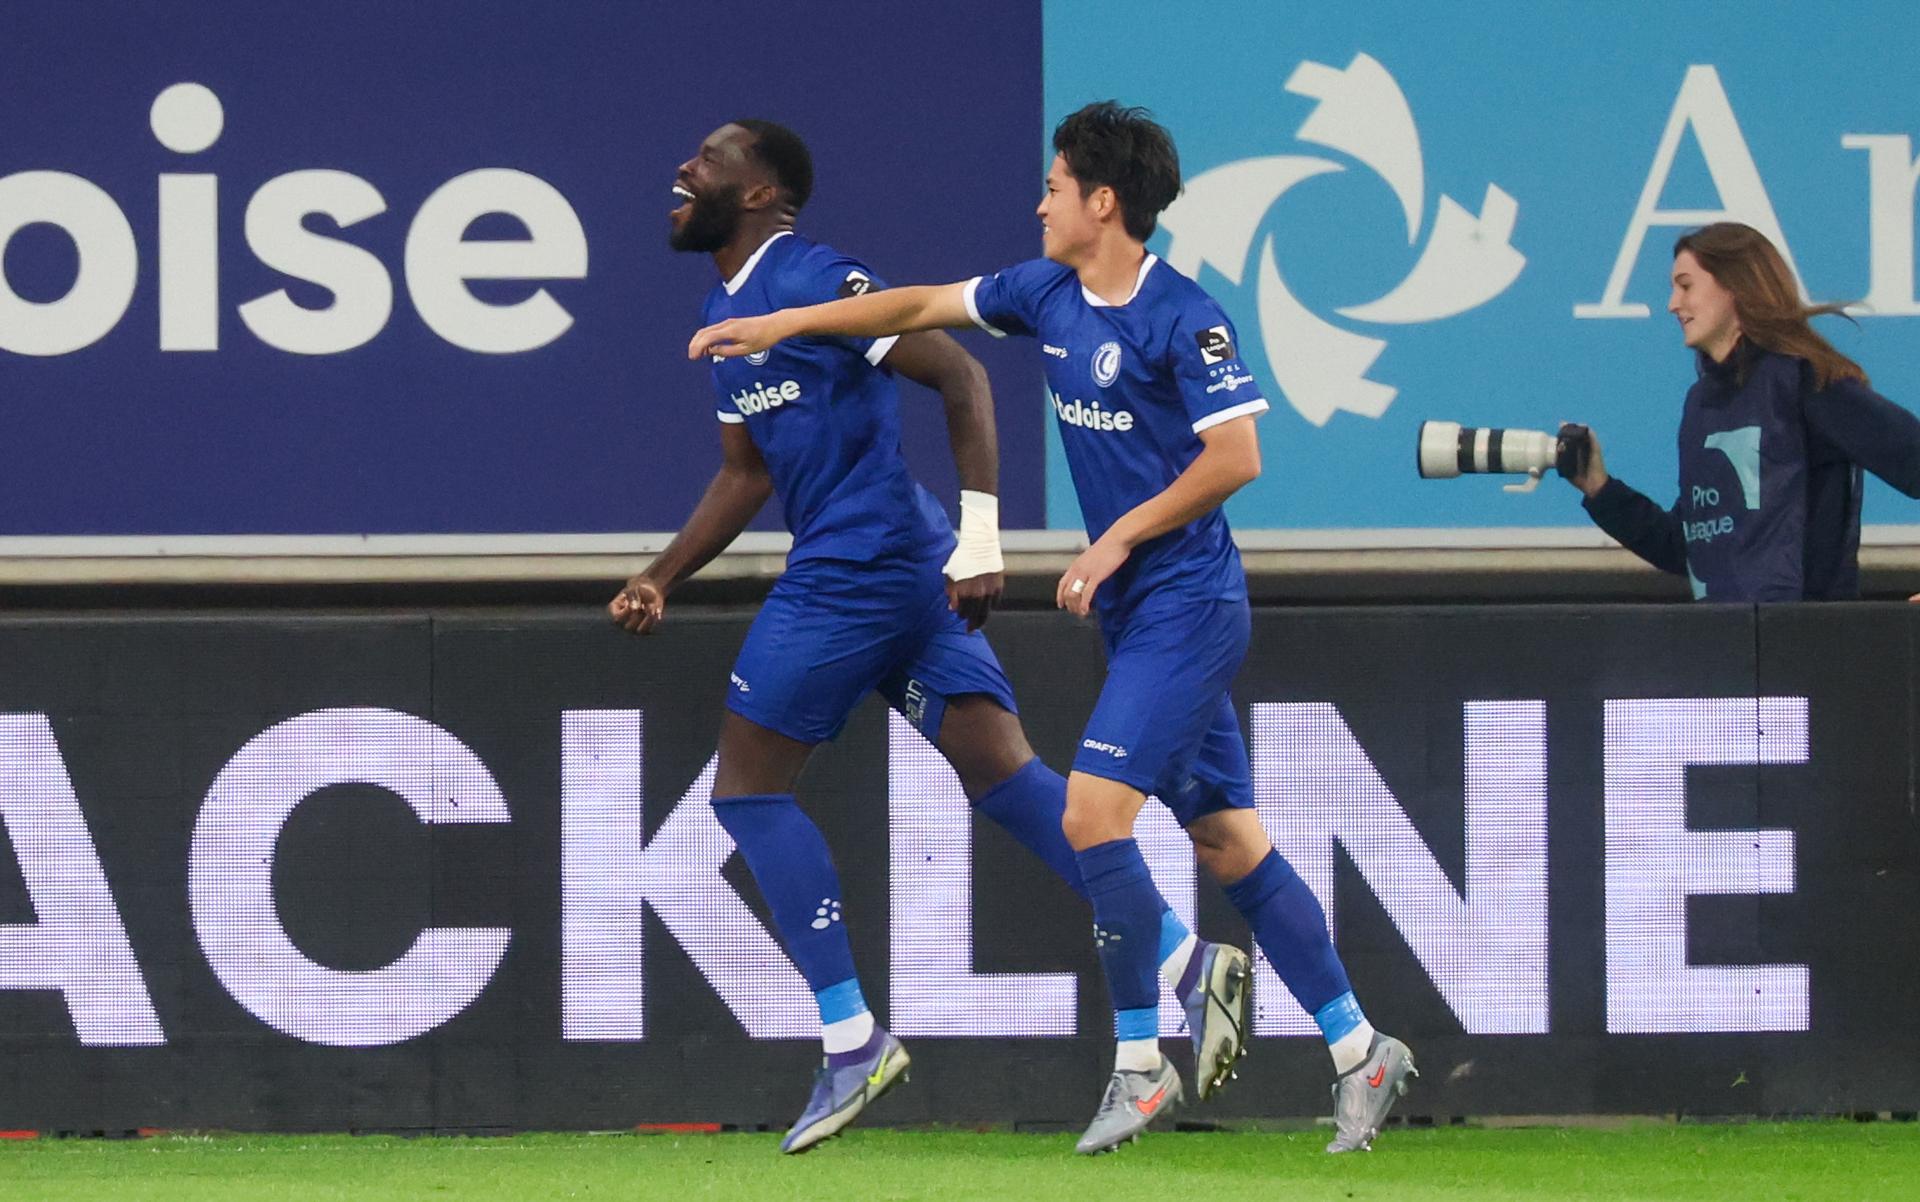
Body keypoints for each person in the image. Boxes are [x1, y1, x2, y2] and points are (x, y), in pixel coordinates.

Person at [688, 102, 1414, 1156]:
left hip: (1186, 605)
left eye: (1056, 186)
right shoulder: (1046, 292)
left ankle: (1137, 1065)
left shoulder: (1185, 317)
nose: (1039, 202)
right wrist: (787, 324)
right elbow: (923, 303)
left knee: (1089, 812)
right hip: (1136, 609)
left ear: (1103, 202)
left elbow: (1237, 458)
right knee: (1226, 837)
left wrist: (1114, 538)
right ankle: (1359, 1046)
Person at [612, 119, 1251, 1155]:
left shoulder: (808, 273)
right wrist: (662, 573)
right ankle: (1184, 959)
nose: (683, 168)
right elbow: (748, 471)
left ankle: (851, 1038)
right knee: (1005, 775)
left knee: (747, 789)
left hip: (859, 563)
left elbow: (957, 370)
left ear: (765, 190)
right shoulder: (723, 311)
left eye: (711, 159)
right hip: (899, 563)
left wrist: (983, 536)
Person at [1567, 222, 1920, 599]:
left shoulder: (1806, 382)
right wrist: (1599, 488)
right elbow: (1685, 548)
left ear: (1736, 287)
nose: (1672, 304)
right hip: (1728, 644)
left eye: (1685, 286)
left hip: (1812, 646)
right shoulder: (1702, 403)